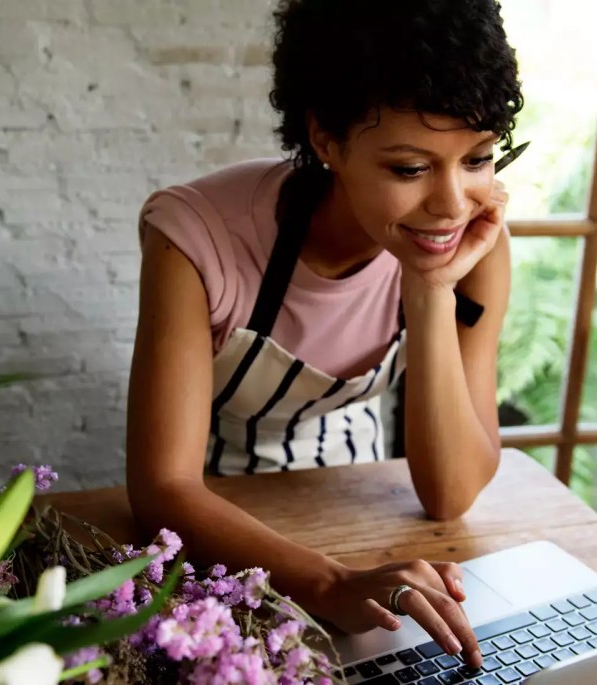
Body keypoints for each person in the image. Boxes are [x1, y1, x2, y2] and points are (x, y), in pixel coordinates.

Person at [125, 0, 523, 668]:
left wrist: (429, 291)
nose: (453, 203)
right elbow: (163, 489)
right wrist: (328, 581)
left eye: (478, 158)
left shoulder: (473, 247)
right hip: (223, 528)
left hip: (368, 509)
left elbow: (450, 495)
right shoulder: (197, 241)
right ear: (327, 140)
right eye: (409, 168)